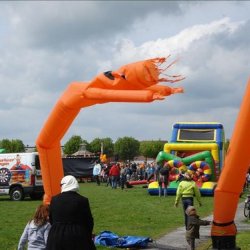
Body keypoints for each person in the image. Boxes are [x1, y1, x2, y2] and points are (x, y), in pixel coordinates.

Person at [46, 175, 96, 250]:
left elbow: (51, 219)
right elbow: (89, 221)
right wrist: (86, 235)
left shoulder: (54, 200)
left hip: (56, 236)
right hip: (77, 235)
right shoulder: (82, 200)